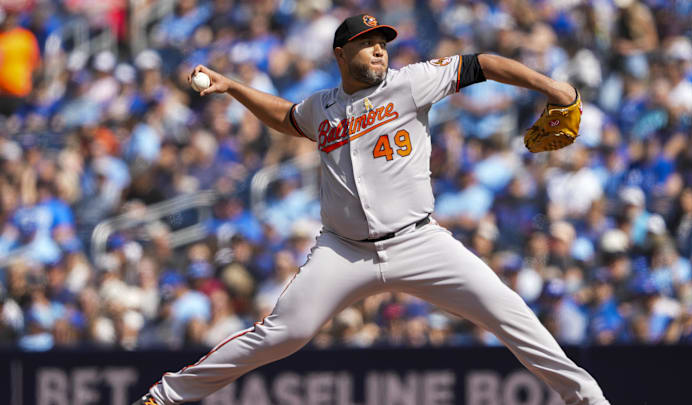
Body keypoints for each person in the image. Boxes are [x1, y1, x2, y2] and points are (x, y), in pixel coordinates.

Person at [133, 14, 610, 405]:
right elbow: (285, 117)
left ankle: (589, 400)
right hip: (343, 252)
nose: (379, 49)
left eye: (382, 41)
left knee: (509, 312)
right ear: (340, 54)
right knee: (282, 333)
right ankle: (164, 397)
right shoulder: (323, 107)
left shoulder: (411, 82)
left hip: (419, 241)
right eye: (366, 43)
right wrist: (232, 86)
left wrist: (555, 88)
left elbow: (482, 63)